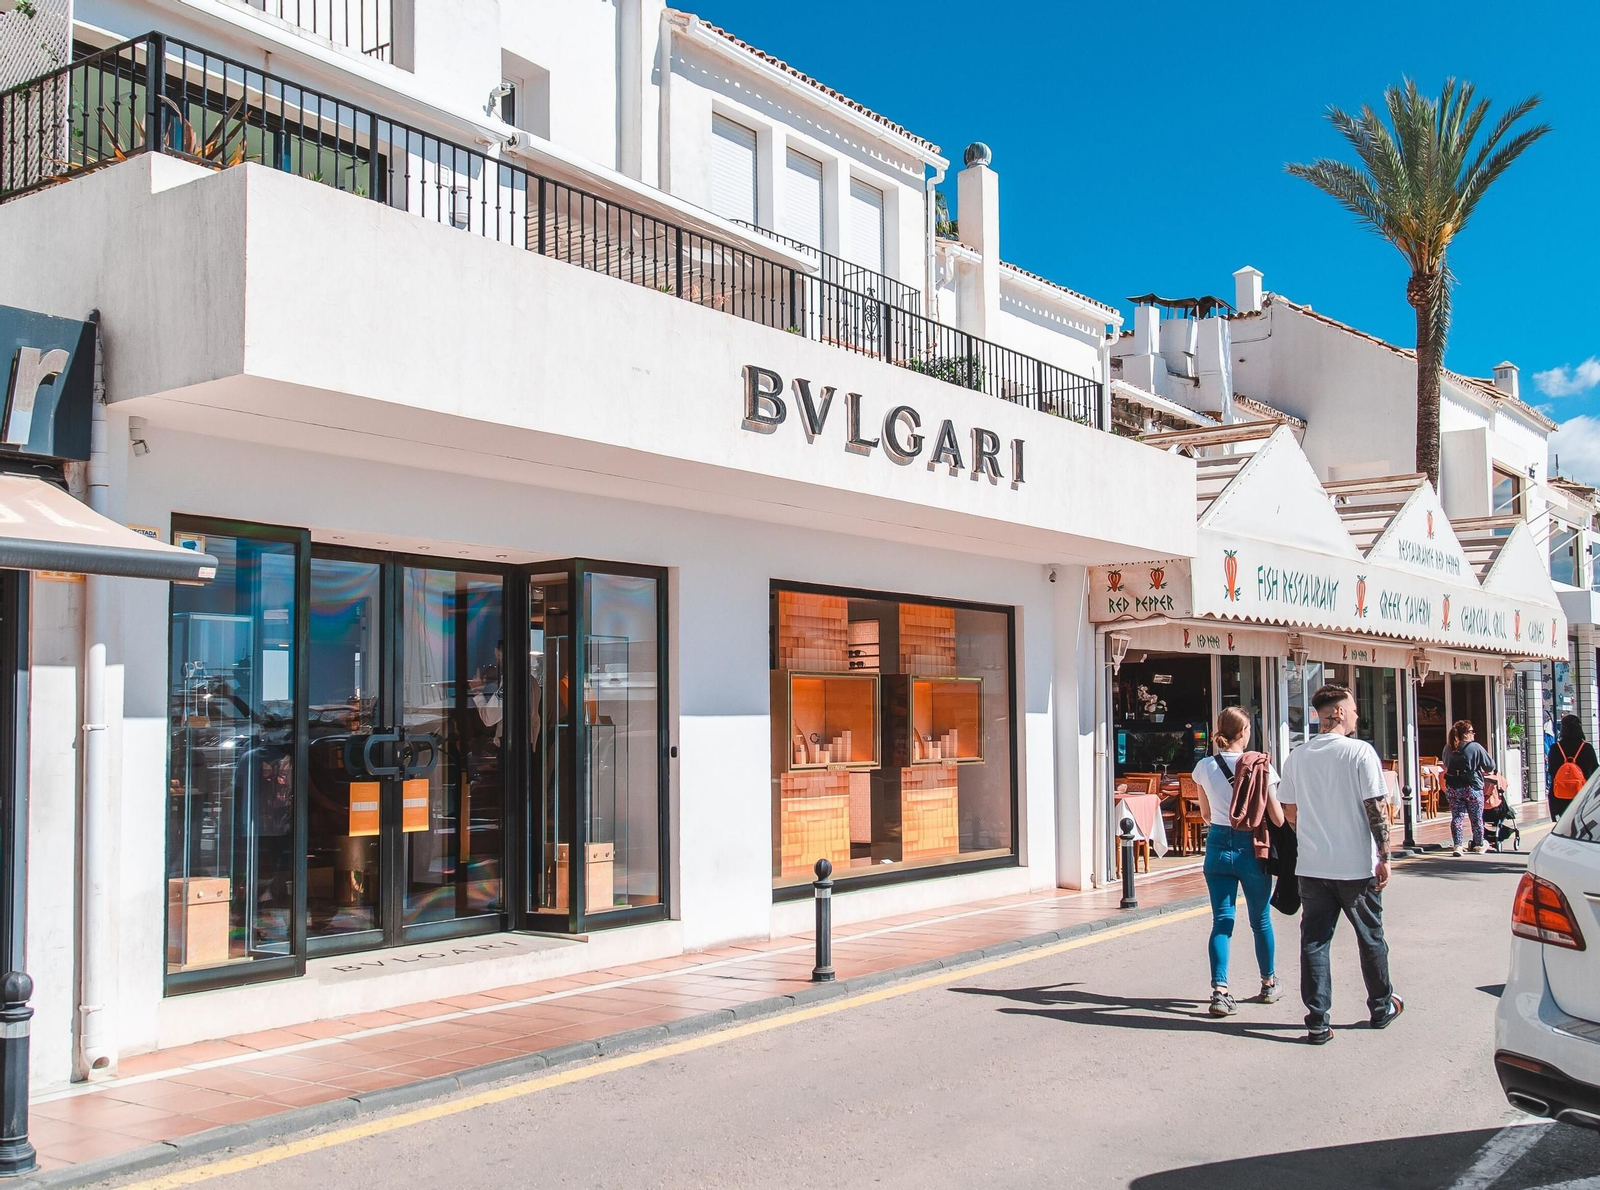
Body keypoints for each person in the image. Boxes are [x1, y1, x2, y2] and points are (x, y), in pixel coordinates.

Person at [1278, 683, 1403, 1045]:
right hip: (1356, 867)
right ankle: (1381, 1007)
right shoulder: (1360, 753)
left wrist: (1313, 833)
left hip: (1313, 866)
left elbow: (1289, 811)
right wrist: (1384, 857)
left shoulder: (1297, 757)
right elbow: (1377, 809)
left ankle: (1317, 1021)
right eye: (1353, 709)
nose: (1357, 716)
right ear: (1338, 714)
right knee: (1371, 937)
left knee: (1314, 942)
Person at [1191, 706, 1285, 1016]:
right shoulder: (1261, 767)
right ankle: (1268, 984)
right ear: (1243, 733)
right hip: (1251, 846)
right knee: (1260, 920)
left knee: (1222, 920)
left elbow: (1204, 814)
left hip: (1217, 844)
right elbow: (1277, 816)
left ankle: (1220, 991)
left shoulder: (1204, 767)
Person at [1441, 719, 1496, 856]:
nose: (1473, 734)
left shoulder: (1448, 748)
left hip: (1453, 787)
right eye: (1471, 731)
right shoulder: (1475, 747)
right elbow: (1490, 766)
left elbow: (1447, 765)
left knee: (1457, 817)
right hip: (1472, 787)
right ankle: (1479, 844)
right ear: (1465, 734)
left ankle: (1458, 845)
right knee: (1476, 818)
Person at [1547, 714, 1598, 821]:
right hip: (1582, 795)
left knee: (1564, 827)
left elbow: (1551, 771)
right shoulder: (1587, 748)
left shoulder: (1555, 748)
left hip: (1560, 796)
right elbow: (1595, 772)